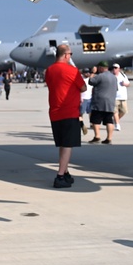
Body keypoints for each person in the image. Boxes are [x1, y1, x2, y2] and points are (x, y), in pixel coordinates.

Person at [44, 44, 87, 188]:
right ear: (67, 55)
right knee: (68, 145)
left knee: (62, 144)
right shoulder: (72, 70)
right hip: (69, 112)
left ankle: (66, 172)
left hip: (55, 112)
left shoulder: (49, 70)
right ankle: (60, 176)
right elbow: (83, 87)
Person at [88, 64, 118, 144]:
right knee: (109, 120)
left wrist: (92, 72)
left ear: (101, 68)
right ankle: (109, 138)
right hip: (110, 102)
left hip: (99, 102)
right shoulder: (114, 77)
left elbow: (90, 81)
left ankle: (97, 136)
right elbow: (116, 89)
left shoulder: (100, 76)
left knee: (95, 120)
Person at [113, 63, 130, 131]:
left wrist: (125, 84)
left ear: (119, 69)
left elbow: (128, 84)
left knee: (124, 111)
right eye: (113, 68)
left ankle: (115, 120)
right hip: (114, 97)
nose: (114, 69)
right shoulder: (111, 76)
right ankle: (117, 124)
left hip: (123, 97)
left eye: (116, 68)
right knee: (115, 112)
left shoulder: (123, 75)